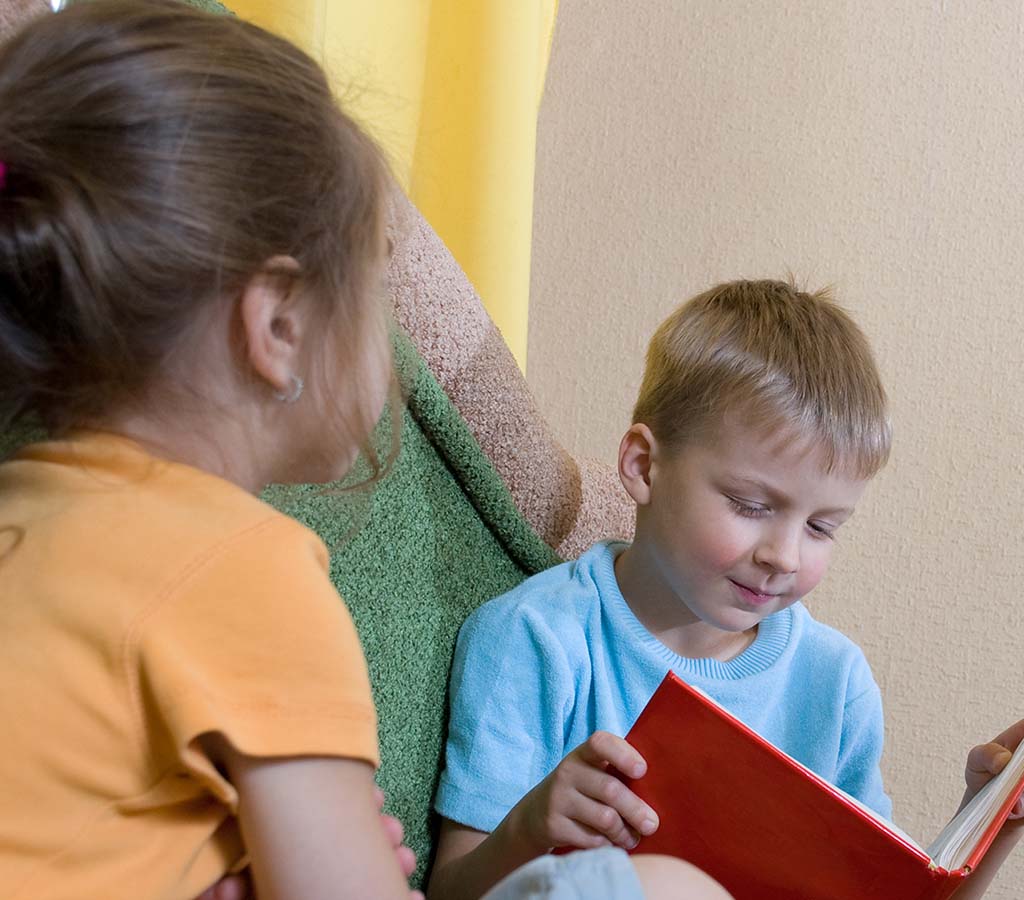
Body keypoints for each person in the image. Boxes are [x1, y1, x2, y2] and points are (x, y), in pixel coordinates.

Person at [0, 4, 732, 900]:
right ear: (278, 326)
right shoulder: (249, 571)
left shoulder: (22, 513)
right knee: (670, 889)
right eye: (376, 290)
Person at [428, 280, 1024, 900]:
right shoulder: (537, 637)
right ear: (643, 466)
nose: (783, 556)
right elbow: (450, 889)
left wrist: (991, 821)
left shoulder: (834, 680)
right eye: (751, 505)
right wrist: (528, 828)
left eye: (823, 527)